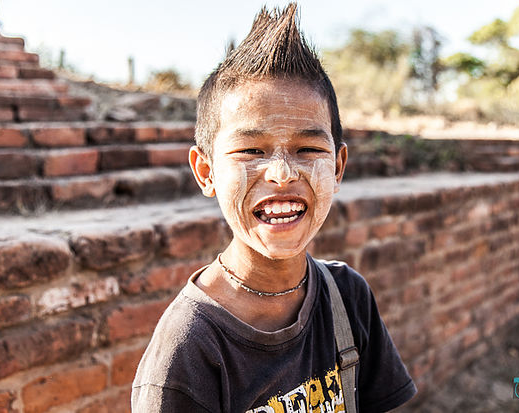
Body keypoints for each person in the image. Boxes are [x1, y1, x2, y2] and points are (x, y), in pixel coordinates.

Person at [132, 3, 417, 412]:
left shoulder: (347, 297)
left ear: (337, 168)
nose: (282, 174)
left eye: (308, 149)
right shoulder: (188, 350)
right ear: (206, 172)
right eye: (251, 150)